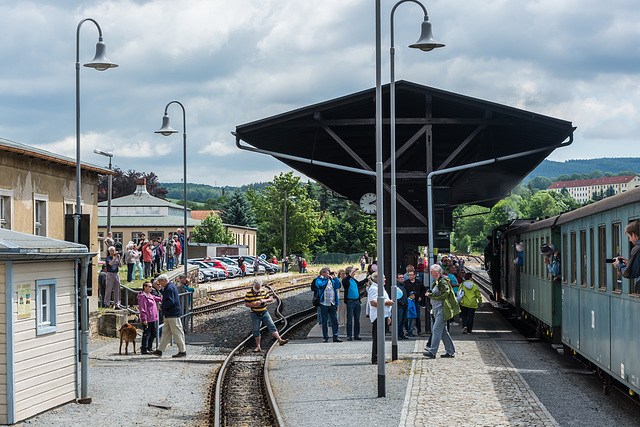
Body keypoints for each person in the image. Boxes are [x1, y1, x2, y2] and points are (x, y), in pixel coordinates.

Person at [423, 264, 459, 359]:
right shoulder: (436, 281)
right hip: (436, 309)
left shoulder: (442, 281)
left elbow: (445, 293)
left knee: (436, 330)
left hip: (441, 309)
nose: (430, 273)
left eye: (432, 271)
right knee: (443, 331)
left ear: (437, 272)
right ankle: (450, 351)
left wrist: (431, 295)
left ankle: (432, 351)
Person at [244, 279, 288, 351]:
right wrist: (254, 304)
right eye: (256, 287)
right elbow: (246, 304)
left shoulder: (263, 292)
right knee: (256, 329)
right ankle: (258, 346)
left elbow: (271, 299)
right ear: (254, 285)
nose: (257, 289)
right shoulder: (249, 293)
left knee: (272, 326)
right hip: (255, 313)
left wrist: (265, 300)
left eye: (259, 287)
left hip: (264, 312)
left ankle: (280, 340)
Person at [152, 274, 187, 358]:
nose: (159, 284)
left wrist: (162, 307)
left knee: (176, 332)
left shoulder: (169, 288)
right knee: (166, 333)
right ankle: (160, 350)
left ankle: (182, 351)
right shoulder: (170, 287)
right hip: (170, 314)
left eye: (160, 282)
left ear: (164, 280)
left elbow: (171, 301)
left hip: (172, 314)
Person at [367, 272, 394, 364]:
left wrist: (388, 316)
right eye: (383, 278)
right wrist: (387, 303)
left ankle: (380, 356)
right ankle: (376, 358)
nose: (385, 279)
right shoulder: (374, 289)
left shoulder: (380, 288)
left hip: (384, 315)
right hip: (378, 317)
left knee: (381, 338)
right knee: (378, 338)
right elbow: (373, 302)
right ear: (377, 279)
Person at [313, 266, 342, 342]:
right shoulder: (318, 280)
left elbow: (338, 285)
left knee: (335, 320)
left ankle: (335, 336)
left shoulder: (331, 280)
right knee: (324, 321)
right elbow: (320, 285)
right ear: (322, 273)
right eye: (327, 272)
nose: (329, 273)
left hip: (332, 303)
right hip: (323, 303)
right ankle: (325, 337)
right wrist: (326, 278)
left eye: (329, 272)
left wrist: (335, 278)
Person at [614, 220, 640, 293]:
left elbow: (629, 273)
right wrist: (629, 264)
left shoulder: (637, 249)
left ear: (634, 234)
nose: (630, 240)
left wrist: (618, 265)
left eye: (629, 237)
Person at [342, 267, 368, 341]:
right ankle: (349, 335)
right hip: (350, 301)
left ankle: (356, 334)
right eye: (353, 272)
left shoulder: (353, 280)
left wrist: (367, 279)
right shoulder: (346, 281)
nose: (354, 274)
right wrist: (350, 273)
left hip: (357, 301)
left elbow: (360, 283)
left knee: (357, 319)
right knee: (349, 319)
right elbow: (345, 280)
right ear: (349, 273)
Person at [138, 281, 162, 354]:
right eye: (149, 287)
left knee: (153, 333)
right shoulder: (143, 296)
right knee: (147, 333)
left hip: (153, 317)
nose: (151, 288)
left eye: (151, 286)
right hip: (148, 318)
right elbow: (143, 308)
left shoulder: (150, 295)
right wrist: (144, 318)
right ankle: (144, 348)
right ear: (145, 287)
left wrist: (162, 299)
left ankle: (149, 347)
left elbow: (155, 298)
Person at [403, 269, 425, 335]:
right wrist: (408, 296)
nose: (410, 276)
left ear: (415, 275)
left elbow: (423, 290)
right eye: (409, 275)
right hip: (409, 302)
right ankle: (408, 330)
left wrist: (420, 296)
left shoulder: (419, 283)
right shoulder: (406, 283)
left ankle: (419, 331)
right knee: (408, 316)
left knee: (417, 316)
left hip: (416, 301)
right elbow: (404, 291)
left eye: (411, 275)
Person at [395, 273, 409, 339]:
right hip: (399, 306)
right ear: (397, 279)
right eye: (400, 277)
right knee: (398, 321)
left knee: (403, 321)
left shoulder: (403, 285)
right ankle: (397, 334)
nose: (402, 278)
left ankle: (401, 333)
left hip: (404, 306)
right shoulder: (396, 287)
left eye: (402, 277)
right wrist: (401, 302)